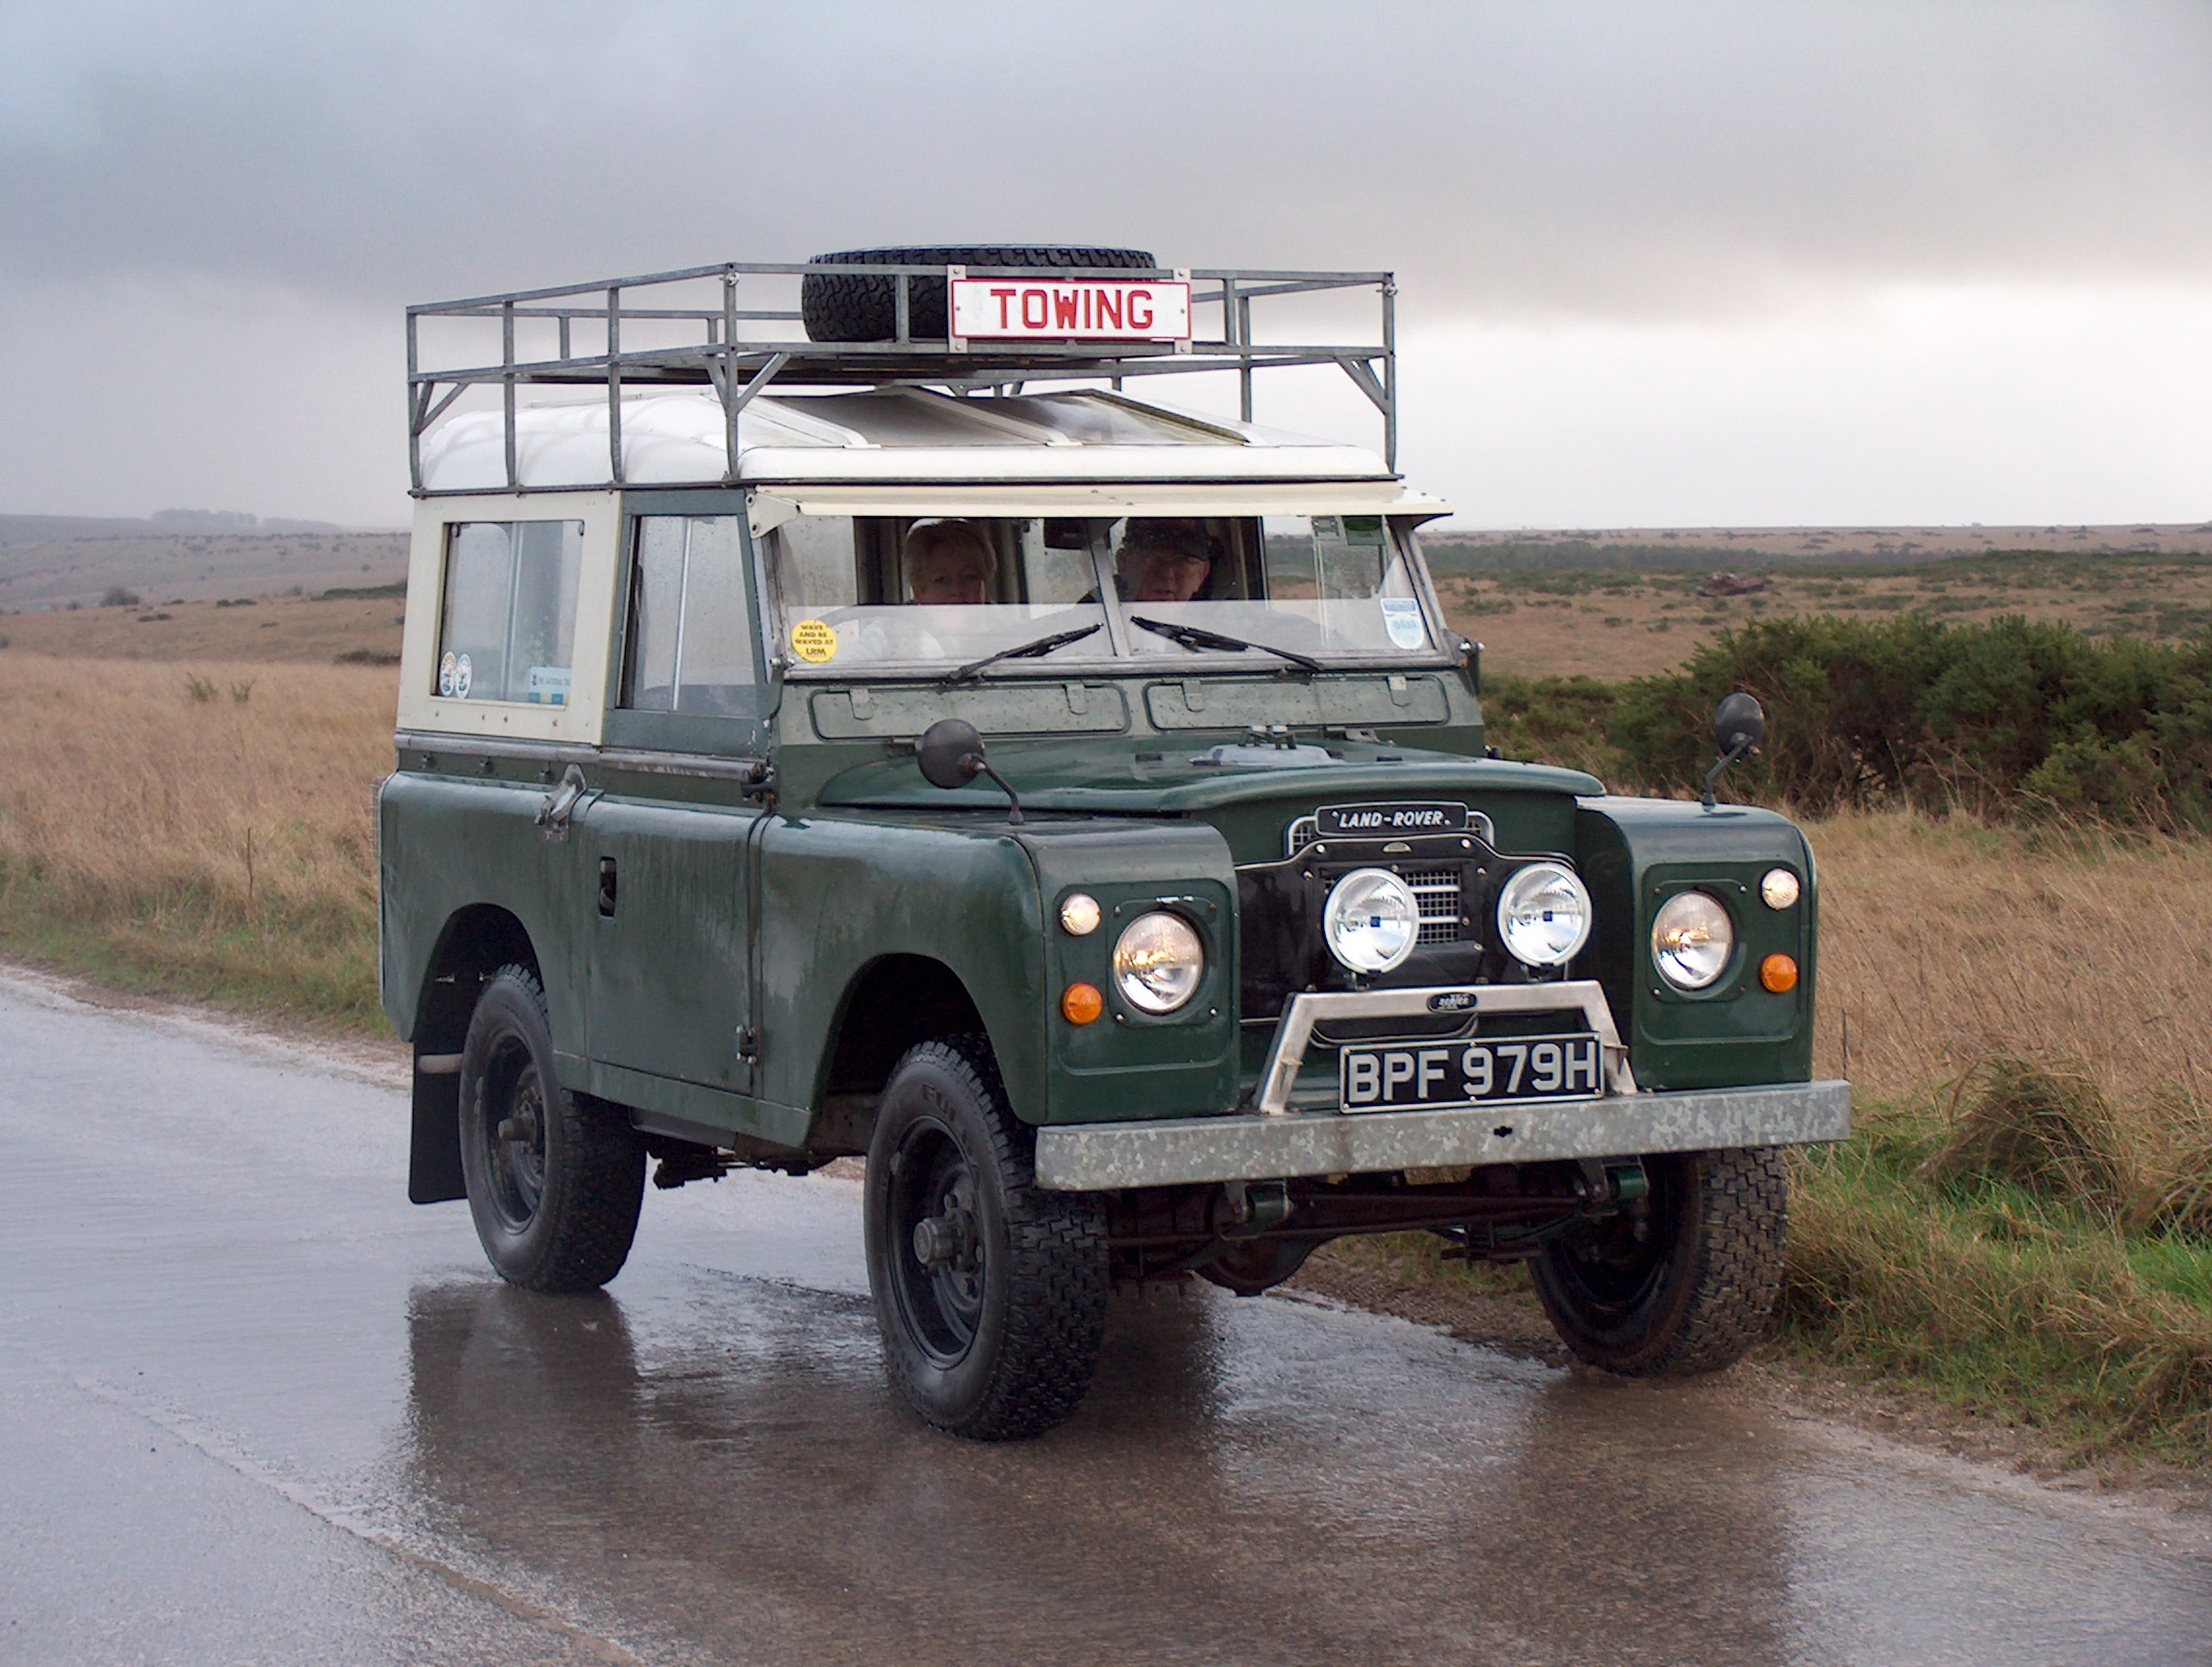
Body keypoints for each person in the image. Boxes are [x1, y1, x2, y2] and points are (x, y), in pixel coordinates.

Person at [1116, 518, 1215, 604]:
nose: (1168, 574)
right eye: (1153, 558)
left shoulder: (1222, 622)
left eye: (1181, 562)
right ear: (1123, 563)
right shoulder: (1101, 612)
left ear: (1202, 573)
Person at [903, 520, 997, 606]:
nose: (957, 591)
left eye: (969, 577)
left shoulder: (1006, 623)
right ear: (918, 592)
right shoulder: (896, 624)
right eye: (942, 580)